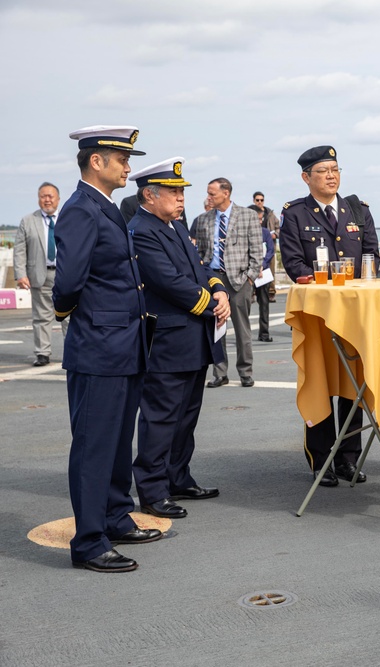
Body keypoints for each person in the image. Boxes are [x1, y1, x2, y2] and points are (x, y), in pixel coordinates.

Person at [54, 125, 161, 573]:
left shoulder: (107, 206)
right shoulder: (81, 209)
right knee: (94, 447)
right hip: (99, 347)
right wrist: (73, 314)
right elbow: (69, 282)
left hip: (123, 345)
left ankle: (116, 516)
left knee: (118, 442)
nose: (128, 167)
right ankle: (90, 541)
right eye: (121, 160)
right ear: (96, 161)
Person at [127, 158, 230, 520]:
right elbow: (168, 282)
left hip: (193, 338)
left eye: (182, 191)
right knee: (161, 418)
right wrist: (211, 306)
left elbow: (199, 267)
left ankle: (178, 477)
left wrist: (218, 289)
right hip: (169, 341)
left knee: (186, 415)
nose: (181, 198)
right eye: (173, 192)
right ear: (149, 195)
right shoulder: (142, 230)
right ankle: (153, 491)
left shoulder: (172, 226)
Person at [279, 145, 380, 487]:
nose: (331, 175)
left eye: (335, 169)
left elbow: (371, 254)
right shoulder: (295, 214)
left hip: (355, 315)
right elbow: (294, 265)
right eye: (323, 171)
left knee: (352, 385)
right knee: (321, 384)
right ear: (306, 177)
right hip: (318, 317)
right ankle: (321, 460)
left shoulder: (357, 209)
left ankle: (348, 459)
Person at [192, 178, 261, 388]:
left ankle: (245, 372)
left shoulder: (247, 216)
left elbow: (257, 250)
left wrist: (250, 277)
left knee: (242, 329)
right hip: (213, 279)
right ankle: (220, 372)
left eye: (212, 193)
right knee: (217, 328)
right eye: (208, 193)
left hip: (239, 280)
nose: (208, 197)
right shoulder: (203, 219)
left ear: (226, 193)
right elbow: (201, 252)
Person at [14, 182, 69, 366]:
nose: (47, 200)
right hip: (39, 275)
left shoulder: (68, 219)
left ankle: (71, 352)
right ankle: (42, 354)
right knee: (41, 317)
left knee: (69, 317)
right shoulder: (28, 221)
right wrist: (20, 274)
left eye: (50, 196)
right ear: (38, 199)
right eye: (43, 196)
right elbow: (20, 250)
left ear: (58, 199)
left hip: (66, 275)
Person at [248, 204, 275, 342]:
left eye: (261, 219)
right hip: (248, 274)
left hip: (263, 274)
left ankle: (264, 333)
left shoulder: (265, 232)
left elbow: (270, 251)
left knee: (264, 303)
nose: (259, 221)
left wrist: (262, 265)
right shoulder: (243, 233)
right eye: (257, 219)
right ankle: (244, 334)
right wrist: (253, 267)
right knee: (245, 305)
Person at [251, 191, 280, 302]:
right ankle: (253, 292)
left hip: (268, 245)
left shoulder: (270, 214)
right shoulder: (250, 212)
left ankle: (271, 292)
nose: (259, 202)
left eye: (261, 200)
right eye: (257, 200)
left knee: (270, 270)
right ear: (254, 200)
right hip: (254, 246)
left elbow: (279, 228)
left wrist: (275, 235)